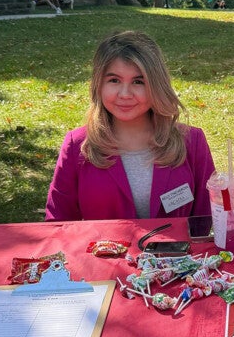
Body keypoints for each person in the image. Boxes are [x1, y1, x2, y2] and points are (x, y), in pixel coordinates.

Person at [46, 30, 215, 221]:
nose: (125, 94)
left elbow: (208, 218)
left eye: (138, 81)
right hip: (103, 251)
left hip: (178, 251)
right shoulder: (77, 145)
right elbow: (57, 224)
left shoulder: (192, 141)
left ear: (157, 85)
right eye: (114, 80)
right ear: (98, 85)